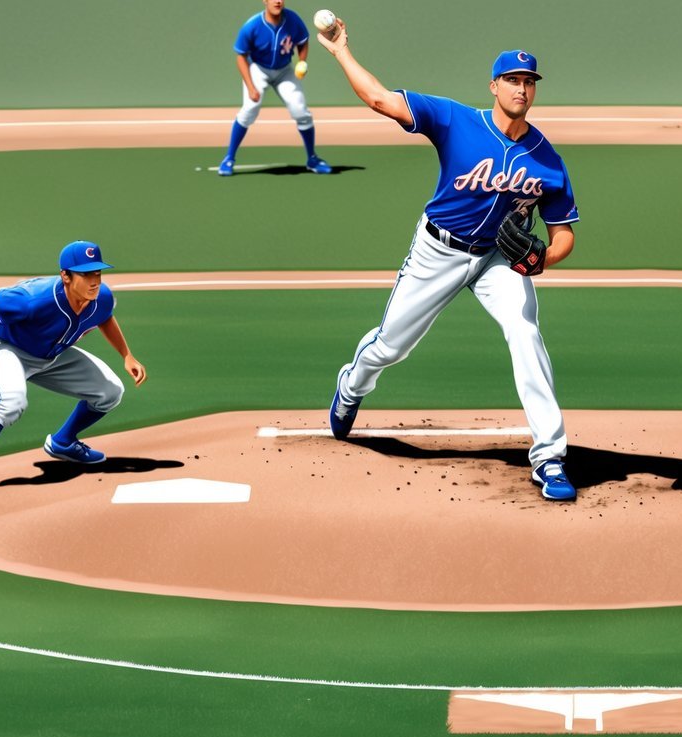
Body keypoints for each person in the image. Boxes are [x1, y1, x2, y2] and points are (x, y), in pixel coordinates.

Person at [316, 20, 580, 502]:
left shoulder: (547, 159)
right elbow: (380, 99)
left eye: (529, 82)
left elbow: (563, 235)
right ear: (494, 86)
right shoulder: (456, 120)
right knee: (392, 345)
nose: (522, 88)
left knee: (525, 333)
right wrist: (341, 53)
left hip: (499, 260)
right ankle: (352, 386)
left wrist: (541, 258)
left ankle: (550, 457)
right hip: (438, 250)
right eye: (513, 80)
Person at [0, 241, 147, 496]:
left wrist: (127, 355)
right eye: (85, 274)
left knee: (111, 391)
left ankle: (63, 442)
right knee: (13, 401)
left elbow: (104, 317)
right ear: (66, 276)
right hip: (5, 348)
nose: (94, 280)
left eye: (97, 273)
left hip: (51, 355)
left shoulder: (100, 297)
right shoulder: (34, 300)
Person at [217, 1, 331, 176]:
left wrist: (302, 61)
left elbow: (303, 40)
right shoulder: (252, 25)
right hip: (258, 69)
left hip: (284, 70)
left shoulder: (293, 20)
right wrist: (250, 86)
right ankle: (229, 158)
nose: (277, 1)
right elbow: (241, 56)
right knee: (249, 109)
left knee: (301, 111)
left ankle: (312, 158)